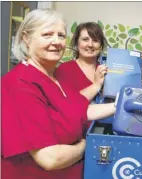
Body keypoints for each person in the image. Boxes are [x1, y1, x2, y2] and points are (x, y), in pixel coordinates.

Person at [1, 9, 115, 179]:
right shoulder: (19, 83)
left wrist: (121, 104)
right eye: (47, 34)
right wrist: (85, 145)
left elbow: (82, 110)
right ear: (26, 38)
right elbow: (50, 158)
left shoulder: (54, 78)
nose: (56, 42)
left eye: (61, 36)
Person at [55, 22, 108, 102]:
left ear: (100, 45)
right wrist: (96, 85)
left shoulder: (106, 70)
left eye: (95, 40)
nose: (90, 44)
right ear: (77, 43)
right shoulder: (65, 69)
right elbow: (68, 104)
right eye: (85, 39)